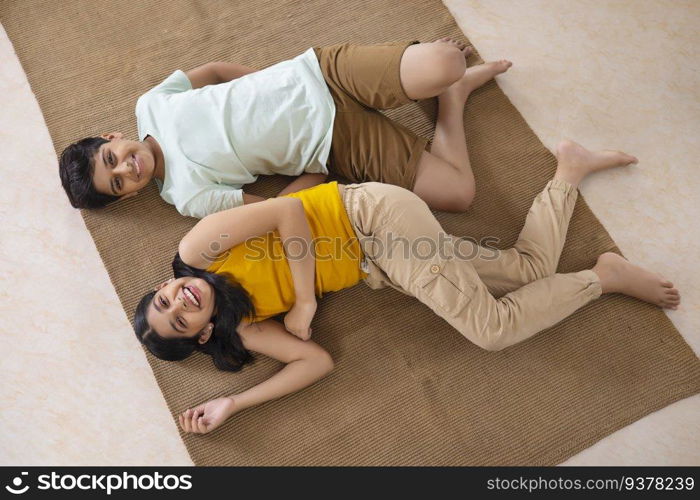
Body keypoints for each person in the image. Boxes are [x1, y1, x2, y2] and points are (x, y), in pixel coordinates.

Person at [133, 139, 680, 434]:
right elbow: (315, 362)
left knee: (491, 329)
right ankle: (569, 171)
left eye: (165, 298)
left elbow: (287, 211)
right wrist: (234, 403)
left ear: (165, 283)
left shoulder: (195, 252)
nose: (180, 302)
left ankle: (602, 278)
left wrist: (303, 301)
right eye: (180, 321)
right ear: (203, 335)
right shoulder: (243, 324)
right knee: (525, 271)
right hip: (383, 264)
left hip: (370, 217)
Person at [58, 38, 511, 217]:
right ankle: (454, 100)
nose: (127, 169)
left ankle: (447, 79)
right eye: (118, 184)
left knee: (447, 60)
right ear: (130, 195)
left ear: (112, 138)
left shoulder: (151, 104)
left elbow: (215, 70)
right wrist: (324, 172)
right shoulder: (188, 195)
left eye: (112, 159)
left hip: (322, 74)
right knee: (459, 194)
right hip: (339, 145)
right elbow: (274, 209)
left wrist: (275, 84)